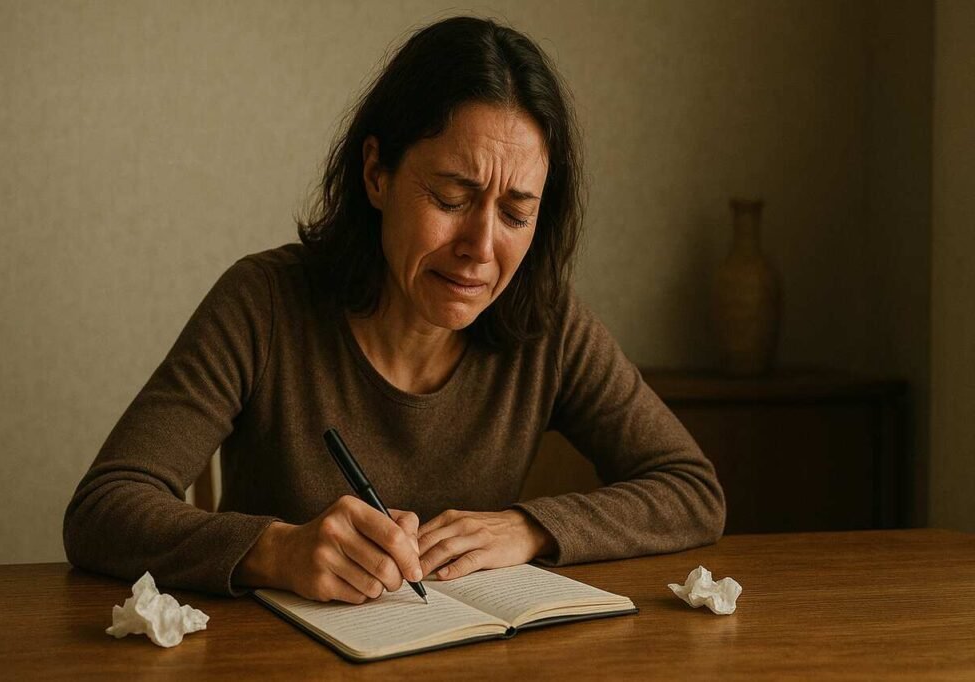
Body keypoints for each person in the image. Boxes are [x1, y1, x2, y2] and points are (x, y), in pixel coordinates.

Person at [63, 16, 724, 603]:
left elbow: (691, 490)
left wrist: (530, 527)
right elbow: (104, 508)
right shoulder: (263, 304)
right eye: (450, 197)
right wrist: (278, 550)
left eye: (517, 214)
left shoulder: (547, 324)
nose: (480, 250)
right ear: (376, 174)